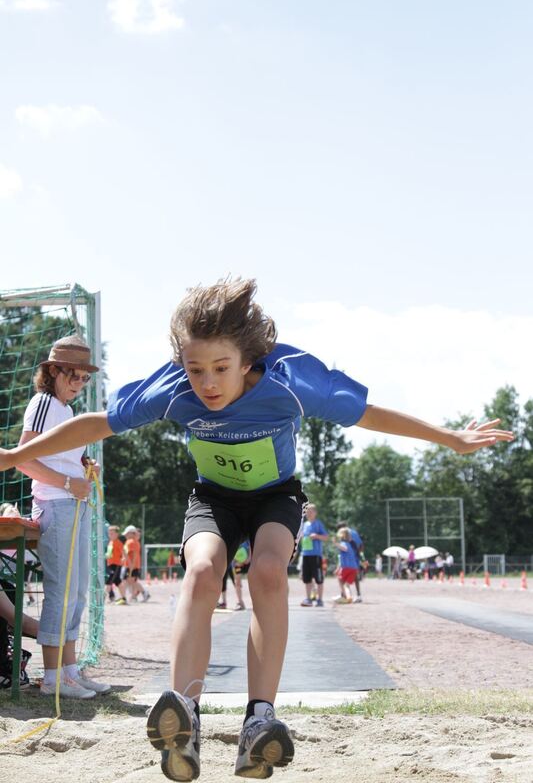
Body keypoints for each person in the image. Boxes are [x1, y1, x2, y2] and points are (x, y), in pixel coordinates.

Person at [0, 278, 513, 781]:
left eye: (221, 368)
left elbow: (365, 414)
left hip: (275, 496)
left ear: (248, 361)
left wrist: (448, 437)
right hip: (214, 498)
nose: (208, 384)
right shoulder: (176, 390)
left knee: (268, 573)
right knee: (201, 572)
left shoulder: (290, 382)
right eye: (196, 370)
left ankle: (259, 717)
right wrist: (19, 455)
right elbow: (97, 423)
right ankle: (184, 713)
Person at [14, 335, 111, 699]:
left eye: (85, 377)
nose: (79, 383)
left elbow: (55, 457)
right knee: (62, 592)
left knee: (78, 592)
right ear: (53, 371)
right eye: (74, 375)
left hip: (73, 501)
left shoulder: (67, 411)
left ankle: (69, 673)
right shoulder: (43, 403)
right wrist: (69, 481)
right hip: (56, 503)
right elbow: (22, 458)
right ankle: (53, 679)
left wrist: (82, 465)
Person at [299, 504, 328, 607]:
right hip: (305, 554)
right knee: (306, 578)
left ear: (315, 513)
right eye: (307, 512)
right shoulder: (304, 525)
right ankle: (308, 599)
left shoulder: (318, 524)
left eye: (311, 512)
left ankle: (320, 600)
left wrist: (316, 536)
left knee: (318, 578)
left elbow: (326, 537)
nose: (308, 514)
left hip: (316, 555)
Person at [123, 525, 150, 603]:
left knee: (130, 581)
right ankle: (135, 595)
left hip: (132, 565)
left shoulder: (131, 542)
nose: (125, 535)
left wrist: (131, 564)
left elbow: (134, 554)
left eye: (127, 533)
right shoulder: (132, 542)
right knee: (130, 581)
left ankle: (143, 593)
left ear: (132, 533)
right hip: (131, 565)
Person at [332, 527, 359, 603]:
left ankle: (344, 596)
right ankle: (349, 597)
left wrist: (336, 544)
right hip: (354, 568)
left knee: (340, 580)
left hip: (347, 567)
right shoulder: (350, 544)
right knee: (346, 584)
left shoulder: (344, 544)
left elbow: (344, 548)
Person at [105, 524, 126, 603]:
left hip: (116, 565)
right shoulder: (110, 542)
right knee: (118, 581)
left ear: (117, 534)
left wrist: (123, 558)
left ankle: (105, 598)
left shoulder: (118, 542)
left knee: (109, 581)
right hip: (110, 564)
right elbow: (110, 553)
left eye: (112, 533)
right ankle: (123, 598)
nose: (110, 535)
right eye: (109, 533)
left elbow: (123, 552)